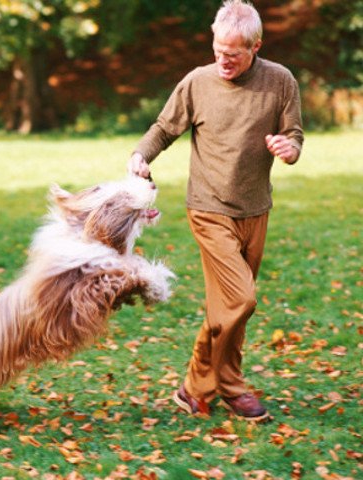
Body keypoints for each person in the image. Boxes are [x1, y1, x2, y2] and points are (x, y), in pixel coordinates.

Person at [128, 0, 303, 421]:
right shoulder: (197, 83)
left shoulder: (280, 82)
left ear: (256, 46)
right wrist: (140, 155)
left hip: (256, 209)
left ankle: (197, 388)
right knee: (240, 297)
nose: (222, 60)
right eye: (217, 50)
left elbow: (293, 134)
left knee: (230, 309)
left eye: (232, 54)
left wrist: (289, 149)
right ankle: (227, 386)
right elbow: (164, 128)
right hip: (209, 209)